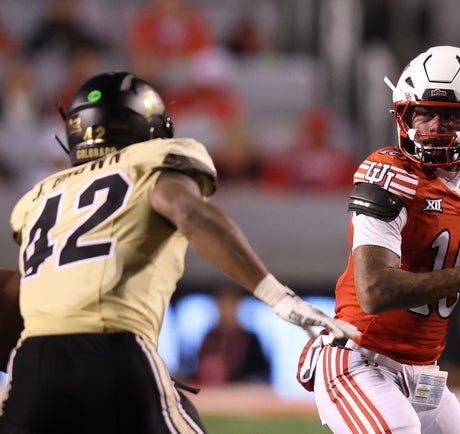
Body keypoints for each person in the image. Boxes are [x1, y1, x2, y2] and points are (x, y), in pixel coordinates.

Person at [0, 71, 359, 434]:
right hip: (113, 346)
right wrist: (278, 297)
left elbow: (21, 292)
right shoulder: (150, 161)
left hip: (32, 363)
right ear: (145, 127)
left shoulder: (39, 197)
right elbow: (188, 211)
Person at [296, 46, 460, 434]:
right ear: (403, 115)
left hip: (424, 373)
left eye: (450, 117)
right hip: (357, 358)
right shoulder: (388, 172)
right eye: (423, 113)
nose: (434, 127)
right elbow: (374, 291)